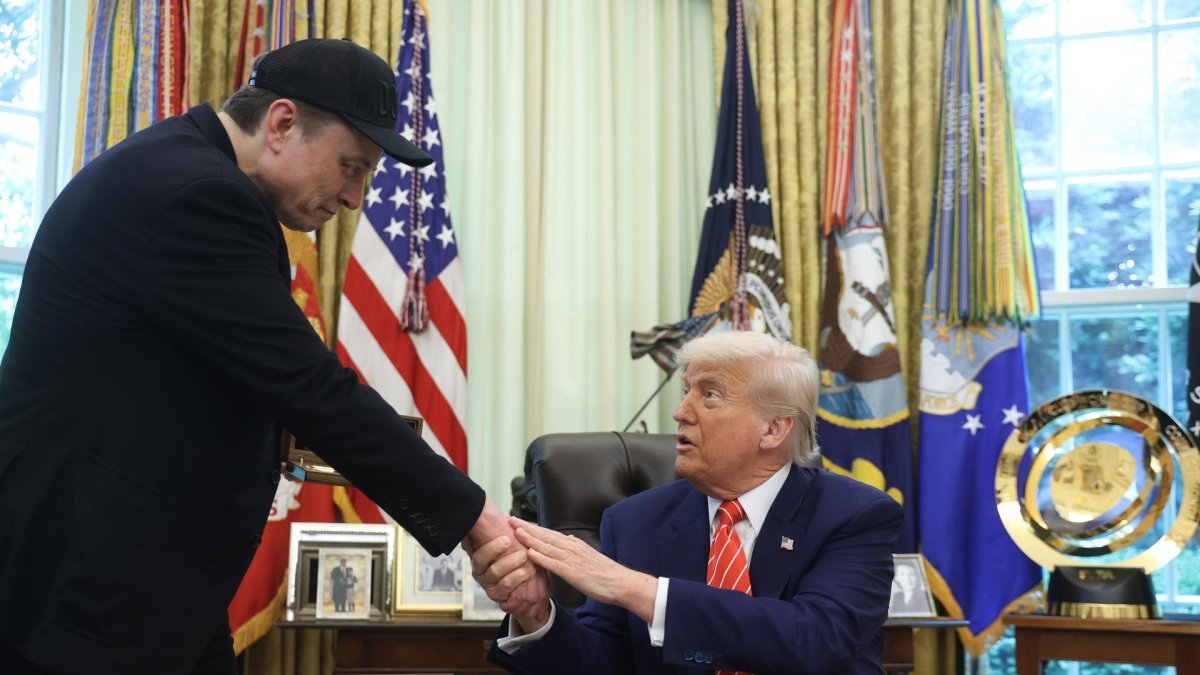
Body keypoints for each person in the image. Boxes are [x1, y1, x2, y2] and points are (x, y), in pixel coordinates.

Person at [0, 38, 529, 674]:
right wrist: (474, 517)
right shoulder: (197, 196)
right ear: (281, 123)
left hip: (142, 583)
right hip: (87, 590)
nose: (356, 197)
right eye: (351, 166)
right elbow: (309, 387)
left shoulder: (181, 167)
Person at [473, 330, 904, 674]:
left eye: (709, 395)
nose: (680, 411)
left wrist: (634, 588)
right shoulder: (634, 522)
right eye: (686, 391)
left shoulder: (855, 515)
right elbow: (604, 662)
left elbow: (814, 640)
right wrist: (537, 616)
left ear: (773, 430)